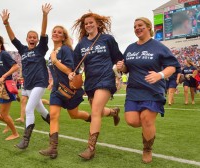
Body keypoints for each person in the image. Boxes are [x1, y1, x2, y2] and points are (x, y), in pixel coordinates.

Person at [116, 17, 180, 163]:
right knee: (131, 121)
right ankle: (148, 126)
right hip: (133, 91)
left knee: (146, 119)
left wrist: (160, 75)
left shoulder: (158, 46)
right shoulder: (130, 48)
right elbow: (127, 69)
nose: (137, 28)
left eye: (140, 25)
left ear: (148, 27)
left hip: (153, 90)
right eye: (135, 26)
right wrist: (122, 67)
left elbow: (172, 66)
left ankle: (147, 149)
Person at [38, 25, 100, 159]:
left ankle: (90, 119)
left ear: (63, 37)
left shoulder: (66, 50)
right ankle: (53, 148)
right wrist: (52, 81)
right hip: (56, 90)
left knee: (74, 114)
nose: (56, 34)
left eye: (59, 32)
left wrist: (55, 60)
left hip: (70, 89)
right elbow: (55, 71)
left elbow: (69, 70)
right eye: (54, 31)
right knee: (53, 116)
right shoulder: (51, 52)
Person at [70, 12, 123, 160]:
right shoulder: (81, 44)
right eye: (86, 23)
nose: (88, 25)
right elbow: (76, 66)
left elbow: (118, 57)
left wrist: (120, 65)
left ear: (98, 24)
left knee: (95, 112)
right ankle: (113, 112)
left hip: (105, 79)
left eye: (91, 22)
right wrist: (72, 74)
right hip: (90, 82)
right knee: (97, 111)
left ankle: (91, 148)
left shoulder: (107, 39)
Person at [1, 3, 52, 149]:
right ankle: (54, 126)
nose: (32, 38)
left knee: (29, 110)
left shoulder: (41, 49)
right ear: (27, 38)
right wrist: (6, 23)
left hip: (40, 82)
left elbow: (43, 33)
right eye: (30, 37)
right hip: (28, 85)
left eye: (34, 37)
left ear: (36, 40)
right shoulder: (22, 50)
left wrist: (44, 15)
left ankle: (25, 140)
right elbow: (12, 39)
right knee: (41, 110)